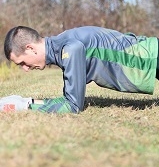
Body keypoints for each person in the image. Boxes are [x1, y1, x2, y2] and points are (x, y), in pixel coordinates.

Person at [3, 25, 159, 113]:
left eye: (22, 62)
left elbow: (72, 106)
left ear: (30, 48)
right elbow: (68, 100)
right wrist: (26, 100)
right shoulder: (61, 44)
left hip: (153, 56)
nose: (25, 69)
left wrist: (22, 106)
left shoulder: (69, 49)